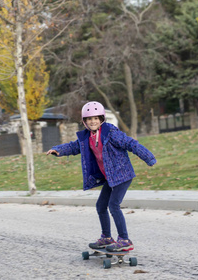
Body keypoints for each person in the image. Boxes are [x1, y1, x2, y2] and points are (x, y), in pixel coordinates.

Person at [46, 101, 156, 252]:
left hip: (122, 174)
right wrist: (58, 150)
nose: (93, 121)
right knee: (100, 206)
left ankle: (124, 240)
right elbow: (73, 146)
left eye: (96, 118)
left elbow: (131, 143)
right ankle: (106, 237)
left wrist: (148, 157)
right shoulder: (86, 137)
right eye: (89, 119)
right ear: (84, 121)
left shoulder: (111, 133)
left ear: (102, 119)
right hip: (110, 177)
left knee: (113, 205)